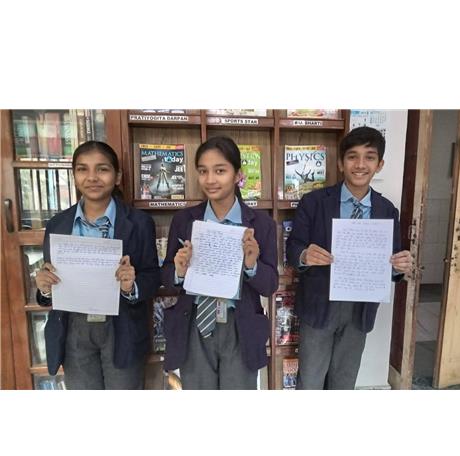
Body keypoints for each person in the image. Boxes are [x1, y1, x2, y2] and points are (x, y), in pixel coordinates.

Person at [286, 126, 412, 390]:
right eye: (352, 156)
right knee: (310, 380)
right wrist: (305, 255)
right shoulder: (314, 202)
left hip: (359, 310)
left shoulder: (387, 210)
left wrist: (399, 266)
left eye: (369, 157)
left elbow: (391, 261)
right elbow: (293, 247)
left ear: (380, 165)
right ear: (341, 163)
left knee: (344, 381)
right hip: (319, 306)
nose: (360, 164)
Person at [35, 141, 160, 389]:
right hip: (74, 329)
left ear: (117, 177)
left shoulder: (139, 223)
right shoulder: (58, 225)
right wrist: (45, 288)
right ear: (74, 176)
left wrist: (131, 286)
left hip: (122, 328)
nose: (92, 177)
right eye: (83, 169)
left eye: (102, 169)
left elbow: (153, 277)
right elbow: (50, 284)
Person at [161, 136, 278, 389]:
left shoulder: (262, 224)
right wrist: (178, 271)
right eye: (203, 171)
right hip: (194, 325)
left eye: (220, 171)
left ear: (238, 175)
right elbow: (166, 278)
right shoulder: (184, 220)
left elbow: (270, 286)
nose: (210, 179)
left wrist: (252, 266)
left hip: (240, 326)